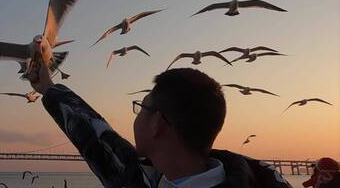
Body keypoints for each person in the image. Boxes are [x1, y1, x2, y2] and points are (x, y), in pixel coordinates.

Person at [29, 58, 294, 188]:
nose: (136, 116)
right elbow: (99, 140)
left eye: (141, 108)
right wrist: (48, 88)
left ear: (157, 123)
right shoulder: (149, 177)